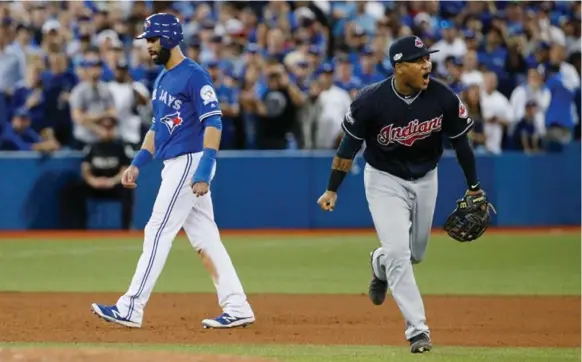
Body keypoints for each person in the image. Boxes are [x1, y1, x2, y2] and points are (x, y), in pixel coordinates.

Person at [316, 36, 489, 353]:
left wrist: (474, 186)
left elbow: (462, 143)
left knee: (414, 254)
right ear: (399, 67)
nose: (428, 64)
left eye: (427, 58)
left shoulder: (442, 97)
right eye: (419, 59)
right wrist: (332, 189)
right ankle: (418, 331)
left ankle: (379, 262)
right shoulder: (370, 101)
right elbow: (347, 148)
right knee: (400, 255)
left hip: (426, 177)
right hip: (384, 180)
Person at [90, 13, 255, 329]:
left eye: (151, 40)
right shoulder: (164, 78)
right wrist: (137, 163)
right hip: (174, 162)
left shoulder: (194, 75)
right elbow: (158, 127)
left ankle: (131, 306)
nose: (148, 46)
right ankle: (237, 305)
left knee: (157, 229)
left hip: (191, 161)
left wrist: (205, 168)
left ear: (167, 39)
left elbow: (214, 122)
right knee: (206, 237)